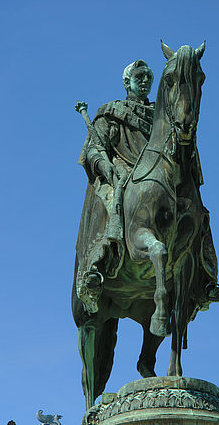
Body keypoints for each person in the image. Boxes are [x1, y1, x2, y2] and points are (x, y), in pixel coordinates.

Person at [74, 60, 155, 312]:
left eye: (148, 78)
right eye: (139, 77)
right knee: (112, 199)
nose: (144, 82)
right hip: (121, 174)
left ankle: (204, 275)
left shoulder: (162, 116)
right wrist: (103, 165)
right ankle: (98, 264)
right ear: (127, 81)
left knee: (193, 205)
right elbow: (94, 148)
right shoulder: (111, 112)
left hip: (156, 175)